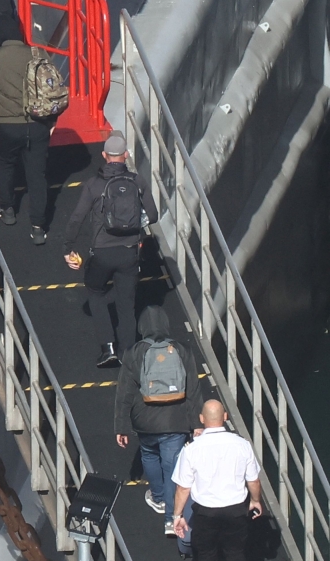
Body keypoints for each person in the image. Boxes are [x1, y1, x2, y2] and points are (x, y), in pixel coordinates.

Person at [63, 134, 159, 366]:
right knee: (127, 304)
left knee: (95, 293)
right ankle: (129, 354)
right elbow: (153, 216)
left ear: (104, 156)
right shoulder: (138, 182)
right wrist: (134, 224)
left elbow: (77, 218)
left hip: (102, 252)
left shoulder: (94, 185)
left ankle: (108, 349)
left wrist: (68, 247)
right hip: (129, 252)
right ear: (125, 155)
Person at [115, 306, 204, 537]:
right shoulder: (182, 350)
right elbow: (193, 389)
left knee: (149, 456)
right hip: (175, 421)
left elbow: (124, 393)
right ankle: (170, 520)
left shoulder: (134, 352)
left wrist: (121, 427)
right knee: (173, 468)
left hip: (144, 421)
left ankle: (158, 498)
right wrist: (197, 424)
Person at [0, 39, 56, 244]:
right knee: (37, 176)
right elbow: (51, 83)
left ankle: (7, 210)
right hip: (38, 123)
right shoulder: (39, 52)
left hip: (8, 125)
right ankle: (38, 227)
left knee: (5, 165)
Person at [173, 400, 263, 561]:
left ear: (202, 418)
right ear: (225, 416)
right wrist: (255, 500)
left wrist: (177, 515)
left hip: (206, 512)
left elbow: (183, 488)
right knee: (235, 552)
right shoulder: (242, 445)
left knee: (206, 554)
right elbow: (253, 480)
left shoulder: (191, 449)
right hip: (236, 509)